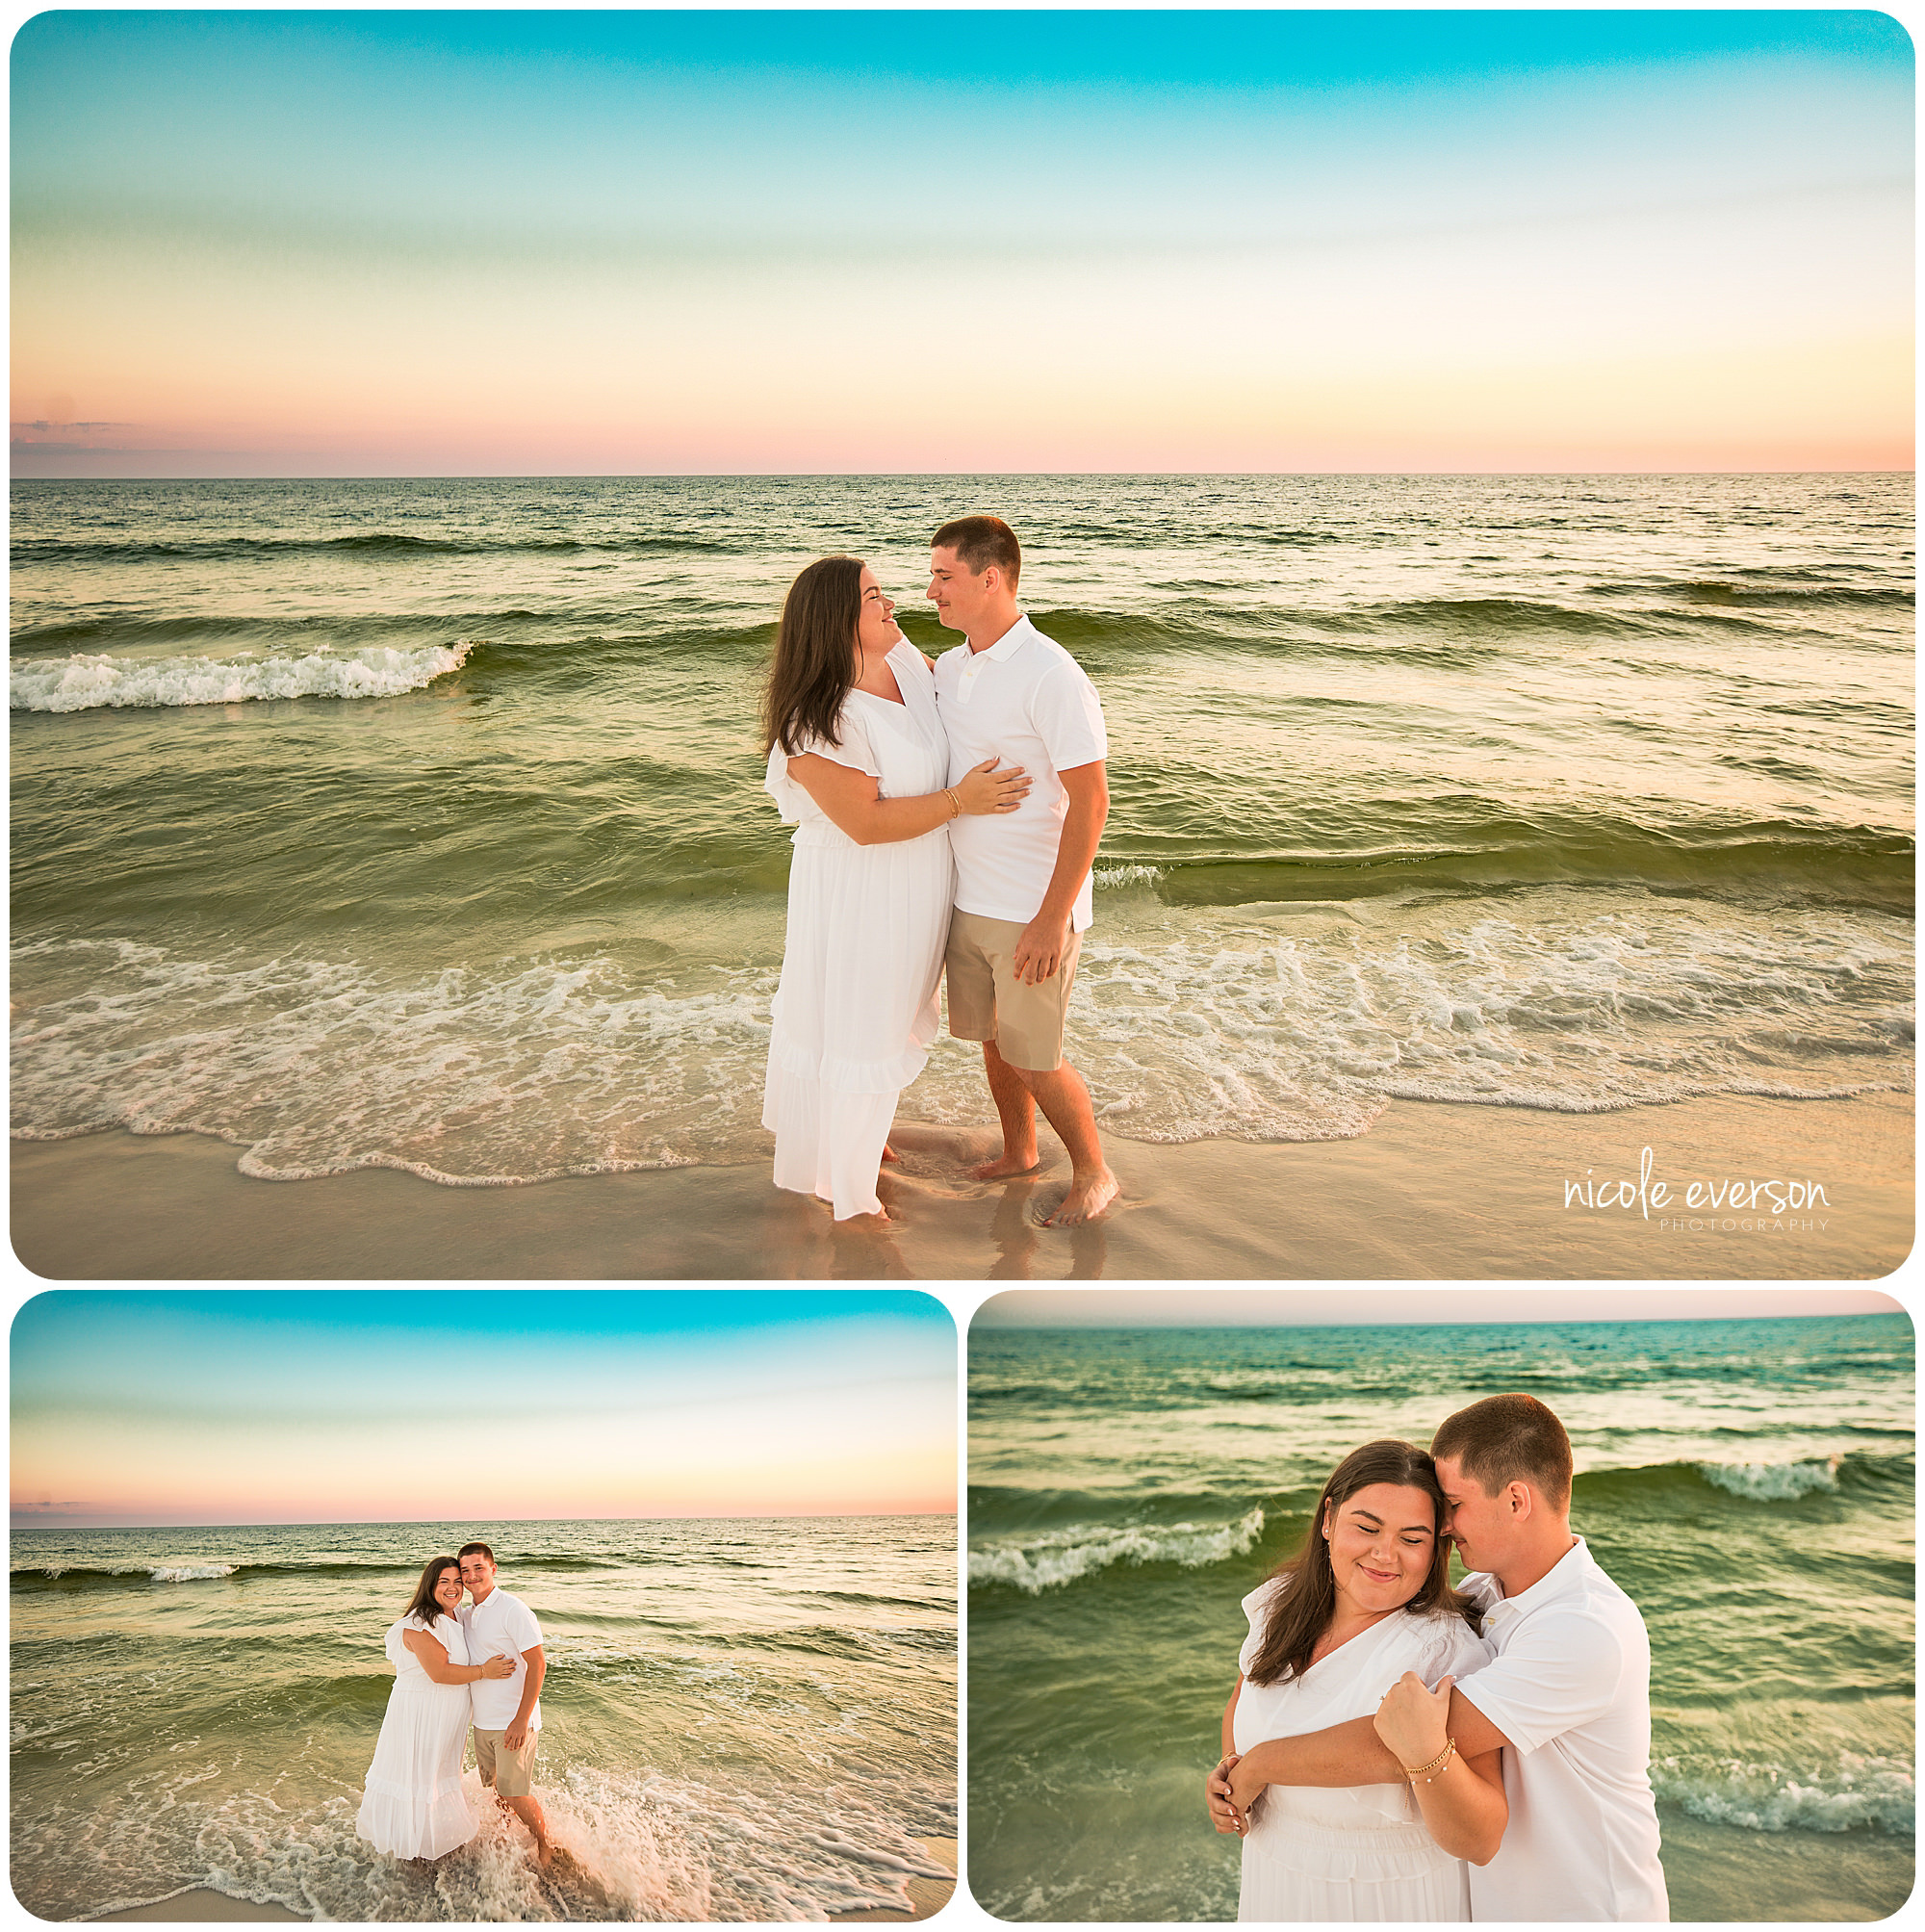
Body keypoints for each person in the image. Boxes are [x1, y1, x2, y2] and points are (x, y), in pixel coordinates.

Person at [1211, 1395, 1670, 1922]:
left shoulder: (1585, 1629)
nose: (1445, 1525)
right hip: (1493, 1903)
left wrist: (1260, 1765)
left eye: (1453, 1504)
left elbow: (1402, 1740)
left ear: (1517, 1501)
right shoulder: (1486, 1592)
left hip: (1580, 1905)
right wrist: (1234, 1768)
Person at [761, 553, 1029, 1222]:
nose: (890, 603)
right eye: (873, 596)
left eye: (883, 591)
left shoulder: (905, 662)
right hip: (860, 892)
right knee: (859, 1025)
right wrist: (961, 801)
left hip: (916, 884)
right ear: (834, 621)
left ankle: (856, 1136)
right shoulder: (815, 720)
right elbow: (865, 822)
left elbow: (967, 695)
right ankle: (848, 1190)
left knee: (885, 1020)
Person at [1210, 1441, 1502, 1920]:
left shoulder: (1443, 1651)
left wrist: (1263, 1765)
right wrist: (1230, 1773)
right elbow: (1245, 1695)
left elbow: (1482, 1836)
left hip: (1385, 1900)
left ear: (1436, 1550)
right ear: (1328, 1520)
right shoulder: (1280, 1605)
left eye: (1412, 1539)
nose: (1385, 1554)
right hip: (1274, 1881)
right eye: (1366, 1527)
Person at [927, 516, 1118, 1225]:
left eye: (944, 575)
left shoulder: (1053, 675)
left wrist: (1051, 916)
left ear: (991, 577)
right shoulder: (949, 666)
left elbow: (1092, 803)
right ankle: (1020, 1150)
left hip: (1031, 907)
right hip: (968, 896)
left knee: (1037, 1055)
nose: (930, 590)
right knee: (994, 1042)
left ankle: (1096, 1173)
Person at [355, 1556, 516, 1861]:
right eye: (444, 1581)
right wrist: (485, 1671)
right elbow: (439, 1673)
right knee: (420, 1775)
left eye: (458, 1581)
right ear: (430, 1585)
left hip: (447, 1712)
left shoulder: (456, 1617)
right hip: (421, 1713)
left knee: (439, 1774)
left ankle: (436, 1840)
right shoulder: (419, 1623)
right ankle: (413, 1850)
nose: (453, 1587)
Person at [456, 1541, 552, 1866]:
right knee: (498, 1788)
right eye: (465, 1570)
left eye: (478, 1568)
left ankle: (545, 1841)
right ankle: (507, 1827)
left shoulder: (513, 1609)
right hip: (483, 1721)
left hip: (513, 1721)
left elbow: (537, 1664)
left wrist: (520, 1720)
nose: (471, 1576)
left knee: (515, 1791)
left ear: (493, 1569)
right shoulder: (466, 1615)